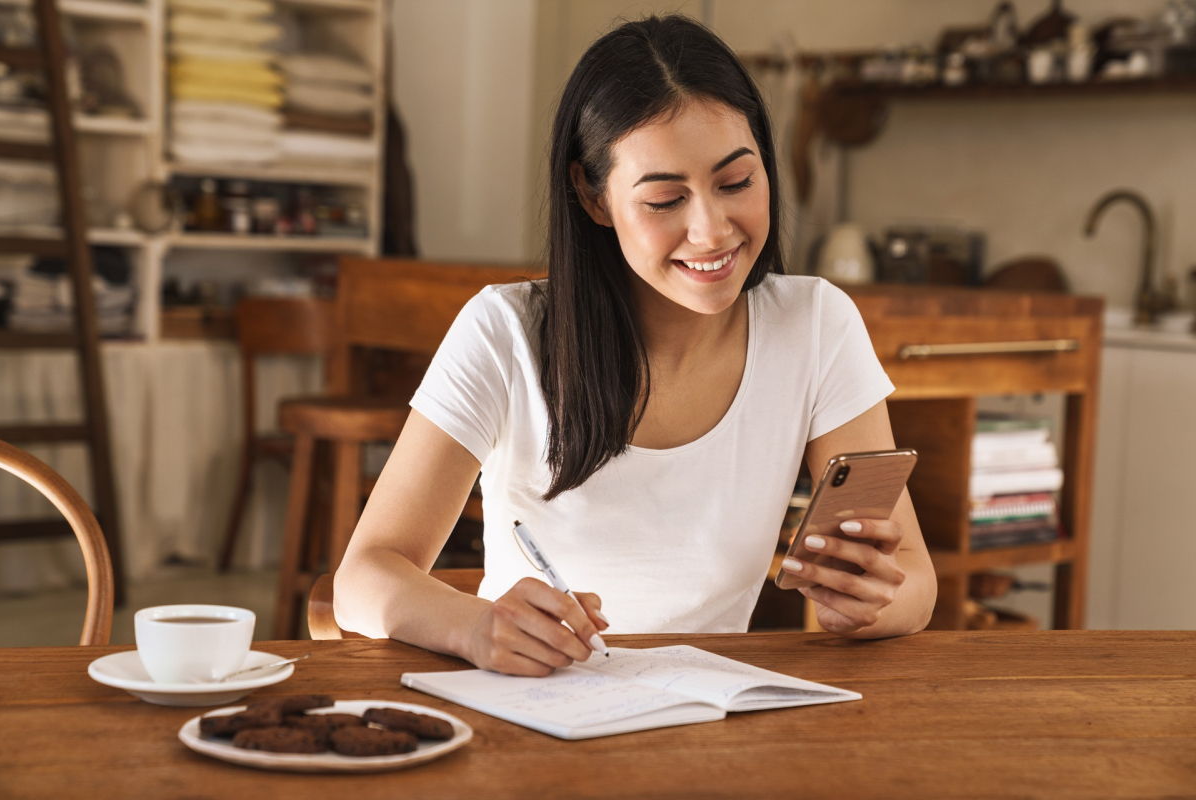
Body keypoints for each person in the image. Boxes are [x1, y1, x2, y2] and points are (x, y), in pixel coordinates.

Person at [334, 14, 936, 676]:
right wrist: (477, 627)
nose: (711, 231)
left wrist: (872, 600)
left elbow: (913, 578)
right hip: (539, 718)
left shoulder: (817, 324)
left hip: (714, 721)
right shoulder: (505, 332)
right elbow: (362, 578)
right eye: (664, 200)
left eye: (736, 183)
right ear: (594, 198)